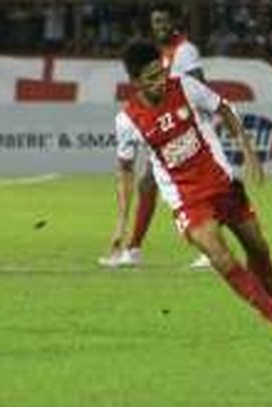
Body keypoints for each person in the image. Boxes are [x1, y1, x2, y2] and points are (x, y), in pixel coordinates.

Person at [107, 40, 272, 345]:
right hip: (186, 198)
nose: (160, 81)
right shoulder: (127, 120)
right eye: (151, 78)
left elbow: (223, 109)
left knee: (258, 248)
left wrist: (249, 152)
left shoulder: (185, 85)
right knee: (220, 256)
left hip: (220, 182)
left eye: (161, 72)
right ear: (135, 82)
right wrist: (121, 222)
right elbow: (124, 170)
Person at [99, 3, 211, 268]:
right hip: (168, 128)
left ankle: (137, 250)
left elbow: (199, 87)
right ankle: (134, 250)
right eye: (155, 22)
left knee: (169, 187)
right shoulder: (160, 54)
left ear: (174, 22)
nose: (159, 27)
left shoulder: (185, 51)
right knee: (150, 184)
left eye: (163, 21)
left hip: (186, 129)